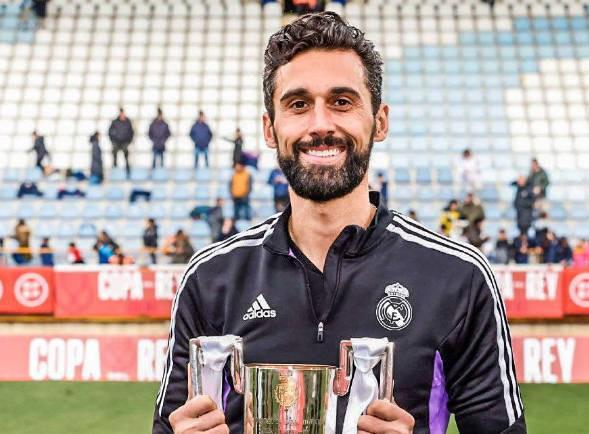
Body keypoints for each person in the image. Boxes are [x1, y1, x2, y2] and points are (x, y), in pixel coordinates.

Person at [154, 12, 524, 434]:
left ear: (379, 121)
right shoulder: (210, 278)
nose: (320, 124)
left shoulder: (459, 277)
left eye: (342, 102)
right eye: (298, 105)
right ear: (270, 129)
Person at [108, 108, 134, 177]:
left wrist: (129, 141)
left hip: (125, 142)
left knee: (126, 155)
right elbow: (110, 132)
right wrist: (113, 141)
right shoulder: (115, 122)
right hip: (116, 142)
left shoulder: (128, 122)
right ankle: (115, 169)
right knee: (114, 153)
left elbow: (131, 132)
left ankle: (128, 171)